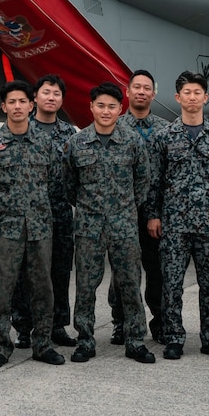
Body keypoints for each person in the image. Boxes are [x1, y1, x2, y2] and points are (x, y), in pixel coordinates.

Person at [0, 80, 68, 367]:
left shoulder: (45, 143)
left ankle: (43, 344)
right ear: (4, 107)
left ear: (31, 105)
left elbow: (55, 182)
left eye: (22, 101)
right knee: (3, 290)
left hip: (40, 228)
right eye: (11, 102)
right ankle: (1, 346)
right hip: (5, 229)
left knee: (43, 288)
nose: (17, 106)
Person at [146, 71, 209, 359]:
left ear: (205, 97)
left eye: (197, 92)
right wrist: (153, 215)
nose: (192, 97)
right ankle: (174, 337)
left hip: (208, 223)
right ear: (178, 97)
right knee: (171, 284)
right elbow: (154, 180)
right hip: (174, 224)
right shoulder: (164, 137)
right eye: (187, 92)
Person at [66, 81, 153, 363]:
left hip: (124, 225)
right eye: (100, 105)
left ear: (120, 109)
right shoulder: (77, 142)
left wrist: (124, 208)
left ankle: (135, 340)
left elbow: (143, 181)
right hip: (88, 227)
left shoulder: (132, 141)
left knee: (130, 283)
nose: (106, 111)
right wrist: (89, 208)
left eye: (112, 106)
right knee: (85, 286)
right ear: (91, 107)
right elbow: (68, 184)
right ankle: (85, 340)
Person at [16, 73, 78, 348]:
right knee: (26, 272)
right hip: (29, 214)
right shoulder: (22, 127)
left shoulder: (69, 134)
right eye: (46, 92)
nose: (51, 98)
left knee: (60, 271)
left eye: (56, 93)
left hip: (60, 214)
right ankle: (24, 326)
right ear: (35, 97)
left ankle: (57, 325)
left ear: (62, 99)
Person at [118, 70, 164, 343]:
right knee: (123, 271)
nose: (141, 92)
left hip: (155, 213)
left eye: (147, 88)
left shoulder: (165, 129)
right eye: (137, 87)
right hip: (124, 212)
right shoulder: (115, 126)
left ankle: (160, 321)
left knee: (156, 270)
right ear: (128, 92)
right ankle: (121, 322)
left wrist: (156, 212)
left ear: (153, 94)